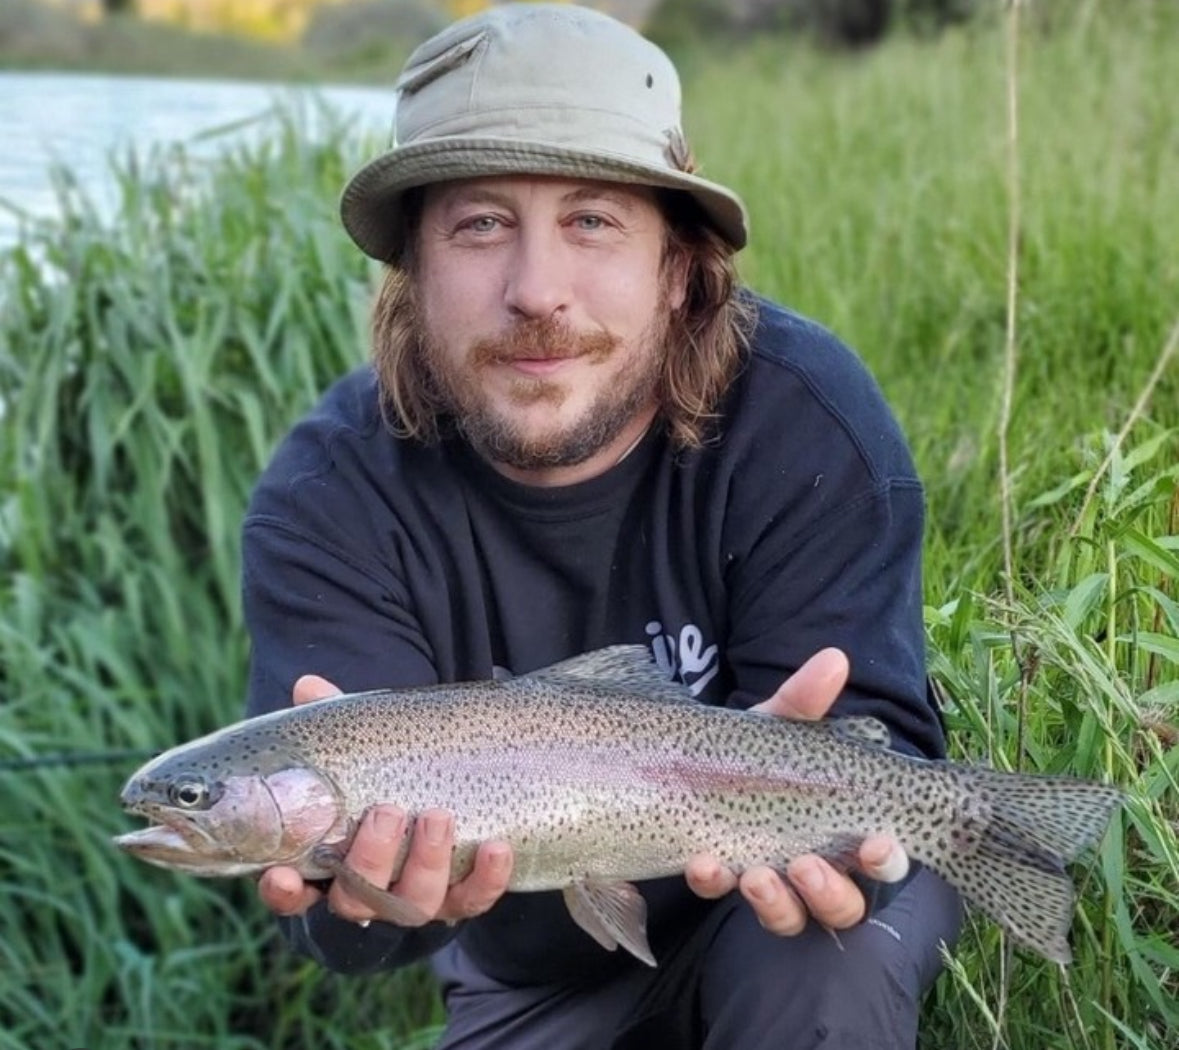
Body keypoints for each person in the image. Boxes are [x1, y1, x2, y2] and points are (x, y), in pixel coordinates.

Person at [241, 4, 962, 1047]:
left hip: (796, 918)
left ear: (676, 269)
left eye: (592, 221)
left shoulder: (810, 420)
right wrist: (364, 906)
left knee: (819, 966)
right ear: (413, 273)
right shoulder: (328, 495)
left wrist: (848, 830)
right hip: (535, 969)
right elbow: (336, 930)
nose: (538, 292)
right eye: (481, 224)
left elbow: (885, 744)